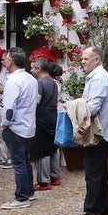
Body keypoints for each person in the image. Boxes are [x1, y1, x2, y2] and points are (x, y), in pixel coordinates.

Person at [69, 46, 108, 215]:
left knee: (92, 174)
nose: (82, 61)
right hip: (103, 133)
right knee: (98, 172)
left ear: (96, 60)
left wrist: (74, 109)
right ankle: (105, 210)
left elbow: (91, 108)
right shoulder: (97, 76)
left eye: (85, 59)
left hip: (99, 134)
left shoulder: (99, 77)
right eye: (82, 59)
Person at [0, 47, 39, 210]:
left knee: (18, 162)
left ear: (12, 61)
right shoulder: (31, 79)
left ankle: (21, 197)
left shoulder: (14, 80)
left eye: (6, 58)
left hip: (16, 126)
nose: (4, 61)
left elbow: (9, 107)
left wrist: (5, 124)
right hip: (28, 125)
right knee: (24, 160)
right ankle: (28, 191)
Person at [29, 57, 59, 191]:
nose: (31, 70)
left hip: (41, 117)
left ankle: (44, 181)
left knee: (41, 150)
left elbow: (36, 101)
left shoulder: (39, 83)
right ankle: (55, 176)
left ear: (38, 69)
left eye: (32, 68)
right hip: (53, 115)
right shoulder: (53, 82)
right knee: (53, 147)